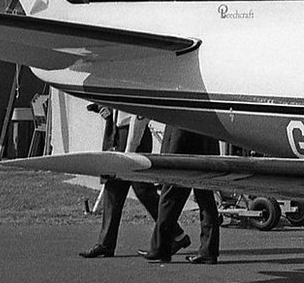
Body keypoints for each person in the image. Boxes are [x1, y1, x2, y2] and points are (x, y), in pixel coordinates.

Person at [80, 107, 181, 259]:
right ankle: (105, 243)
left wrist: (130, 149)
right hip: (119, 130)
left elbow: (140, 114)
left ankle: (175, 234)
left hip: (133, 133)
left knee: (142, 190)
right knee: (114, 188)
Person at [143, 126, 221, 264]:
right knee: (205, 197)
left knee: (171, 195)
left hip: (184, 136)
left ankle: (161, 247)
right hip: (205, 136)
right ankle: (208, 250)